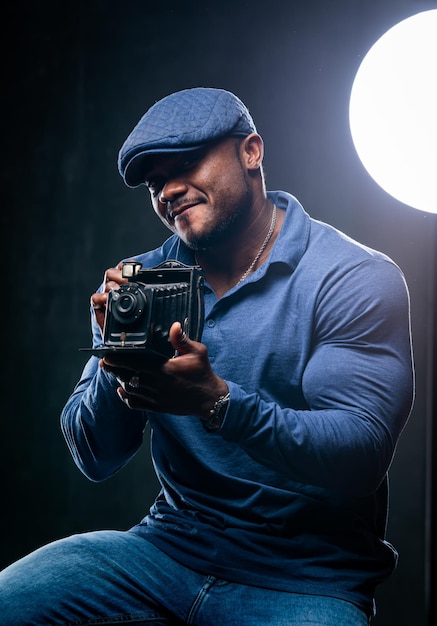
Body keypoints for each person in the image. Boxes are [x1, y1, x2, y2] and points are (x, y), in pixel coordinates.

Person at [0, 87, 414, 625]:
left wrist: (217, 403)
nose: (170, 190)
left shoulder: (351, 279)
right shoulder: (137, 285)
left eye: (188, 164)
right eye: (155, 181)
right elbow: (93, 457)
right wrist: (117, 357)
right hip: (169, 550)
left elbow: (358, 457)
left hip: (305, 575)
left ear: (251, 152)